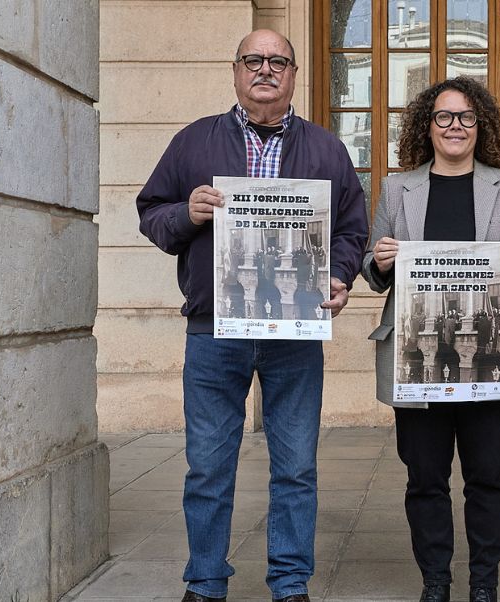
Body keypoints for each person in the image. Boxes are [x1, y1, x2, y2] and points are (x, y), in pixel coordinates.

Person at [136, 29, 368, 602]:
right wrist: (186, 214)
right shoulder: (194, 142)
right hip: (215, 330)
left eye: (278, 62)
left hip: (294, 333)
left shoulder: (327, 150)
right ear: (236, 70)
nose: (266, 70)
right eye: (254, 61)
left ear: (293, 74)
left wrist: (339, 276)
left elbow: (352, 230)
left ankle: (290, 585)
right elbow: (151, 212)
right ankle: (207, 583)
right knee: (208, 468)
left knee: (296, 468)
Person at [362, 77, 500, 602]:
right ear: (428, 125)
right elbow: (373, 271)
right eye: (444, 117)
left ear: (480, 124)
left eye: (465, 117)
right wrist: (379, 261)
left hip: (489, 353)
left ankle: (483, 582)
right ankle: (435, 582)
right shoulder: (399, 187)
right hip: (417, 354)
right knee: (425, 479)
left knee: (489, 476)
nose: (455, 126)